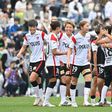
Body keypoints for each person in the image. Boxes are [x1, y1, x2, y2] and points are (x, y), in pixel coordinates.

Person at [17, 19, 48, 106]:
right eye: (30, 27)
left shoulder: (41, 34)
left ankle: (37, 97)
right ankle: (41, 99)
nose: (32, 29)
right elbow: (24, 47)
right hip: (32, 60)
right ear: (28, 27)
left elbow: (49, 40)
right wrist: (19, 53)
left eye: (34, 27)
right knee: (38, 80)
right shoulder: (27, 36)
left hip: (41, 59)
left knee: (32, 78)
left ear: (36, 27)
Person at [67, 20, 92, 107]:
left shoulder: (88, 36)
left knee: (88, 79)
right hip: (76, 63)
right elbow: (70, 49)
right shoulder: (75, 37)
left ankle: (85, 101)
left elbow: (88, 45)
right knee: (74, 81)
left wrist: (89, 53)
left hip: (85, 62)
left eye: (88, 26)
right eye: (87, 26)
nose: (88, 27)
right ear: (81, 27)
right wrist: (68, 61)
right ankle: (73, 101)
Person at [43, 21, 67, 107]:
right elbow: (54, 52)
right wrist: (65, 53)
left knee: (53, 81)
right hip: (52, 62)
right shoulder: (53, 37)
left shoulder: (50, 36)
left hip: (52, 62)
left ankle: (46, 101)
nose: (60, 29)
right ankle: (45, 101)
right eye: (60, 28)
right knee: (52, 81)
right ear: (57, 28)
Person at [58, 20, 75, 106]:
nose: (68, 29)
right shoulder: (60, 36)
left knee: (69, 81)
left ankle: (69, 97)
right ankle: (63, 100)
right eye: (67, 27)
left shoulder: (74, 38)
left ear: (73, 29)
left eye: (70, 27)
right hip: (61, 61)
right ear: (65, 28)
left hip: (70, 62)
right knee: (63, 79)